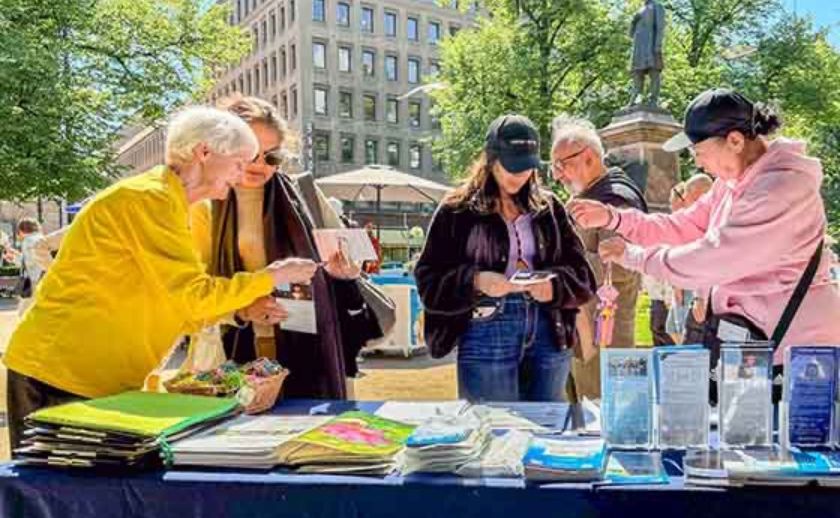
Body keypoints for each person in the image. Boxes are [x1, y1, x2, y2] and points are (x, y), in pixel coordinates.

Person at [3, 106, 316, 450]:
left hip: (95, 378)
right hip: (59, 375)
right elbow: (192, 295)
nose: (244, 172)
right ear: (204, 152)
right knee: (59, 499)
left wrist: (241, 311)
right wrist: (270, 276)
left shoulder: (181, 205)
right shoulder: (148, 198)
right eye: (240, 160)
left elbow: (182, 305)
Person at [569, 88, 840, 373]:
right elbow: (683, 226)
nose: (698, 163)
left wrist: (634, 256)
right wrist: (614, 218)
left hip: (796, 353)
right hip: (758, 343)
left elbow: (711, 258)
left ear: (734, 141)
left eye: (699, 152)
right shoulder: (733, 182)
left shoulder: (777, 190)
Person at [190, 95, 381, 399]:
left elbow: (345, 257)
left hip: (312, 348)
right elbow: (190, 293)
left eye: (272, 157)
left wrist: (344, 269)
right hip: (235, 352)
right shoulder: (203, 207)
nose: (260, 165)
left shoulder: (304, 194)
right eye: (250, 152)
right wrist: (242, 310)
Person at [415, 114, 596, 402]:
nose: (520, 175)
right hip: (484, 327)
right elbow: (427, 280)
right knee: (493, 429)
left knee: (547, 432)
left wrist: (554, 287)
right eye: (511, 166)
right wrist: (475, 281)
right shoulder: (456, 210)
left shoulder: (550, 208)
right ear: (490, 159)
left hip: (550, 328)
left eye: (527, 168)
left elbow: (584, 276)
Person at [550, 115, 648, 399]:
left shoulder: (616, 199)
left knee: (601, 424)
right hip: (583, 334)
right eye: (554, 166)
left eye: (562, 164)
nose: (557, 174)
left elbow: (617, 268)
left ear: (589, 157)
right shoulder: (590, 196)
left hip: (605, 339)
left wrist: (555, 269)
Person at [3, 218, 54, 315]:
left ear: (21, 231)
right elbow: (32, 261)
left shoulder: (28, 241)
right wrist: (15, 257)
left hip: (34, 282)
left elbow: (30, 263)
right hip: (45, 280)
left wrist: (14, 257)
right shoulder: (40, 238)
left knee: (24, 313)